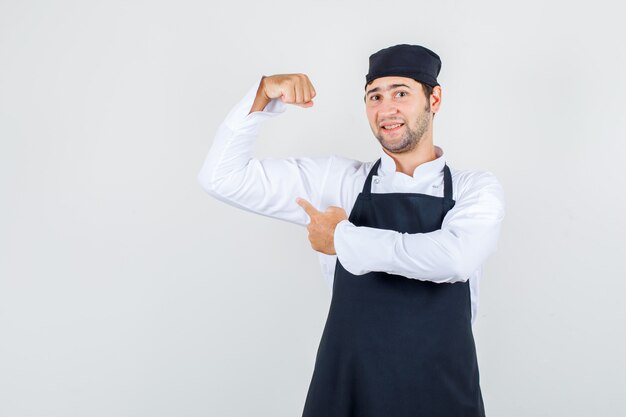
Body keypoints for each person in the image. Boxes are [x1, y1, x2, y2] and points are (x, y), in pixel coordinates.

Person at [197, 43, 505, 417]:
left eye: (401, 94)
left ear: (434, 99)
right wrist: (262, 95)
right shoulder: (338, 180)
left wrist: (342, 238)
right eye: (374, 96)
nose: (385, 109)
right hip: (349, 387)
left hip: (441, 389)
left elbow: (454, 259)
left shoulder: (475, 188)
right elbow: (221, 178)